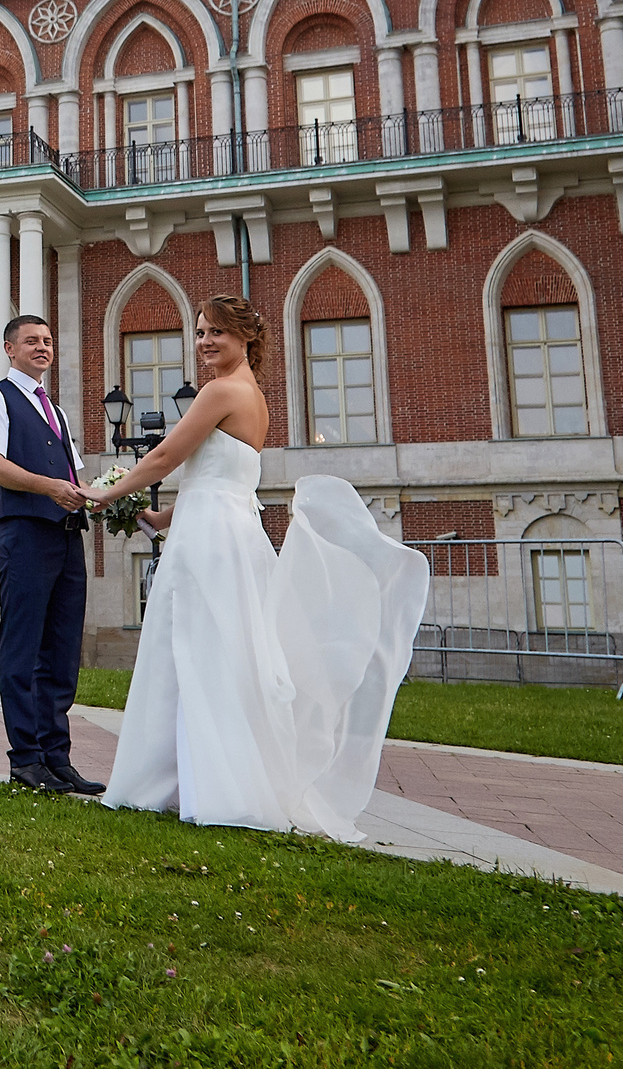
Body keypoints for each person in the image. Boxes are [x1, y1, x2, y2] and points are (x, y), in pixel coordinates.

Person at [84, 295, 429, 840]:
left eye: (216, 333)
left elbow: (164, 458)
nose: (204, 343)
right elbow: (220, 479)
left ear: (246, 338)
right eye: (199, 334)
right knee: (212, 652)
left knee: (198, 651)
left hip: (211, 541)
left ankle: (194, 785)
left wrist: (104, 493)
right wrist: (156, 514)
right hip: (221, 530)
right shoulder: (253, 396)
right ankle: (196, 780)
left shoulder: (220, 391)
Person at [0, 312, 105, 796]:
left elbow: (74, 478)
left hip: (67, 535)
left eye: (47, 340)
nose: (42, 347)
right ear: (10, 349)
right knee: (24, 648)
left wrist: (110, 495)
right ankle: (24, 758)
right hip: (24, 534)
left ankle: (56, 758)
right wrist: (50, 488)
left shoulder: (57, 411)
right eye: (31, 341)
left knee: (62, 652)